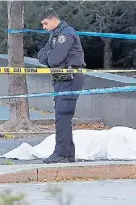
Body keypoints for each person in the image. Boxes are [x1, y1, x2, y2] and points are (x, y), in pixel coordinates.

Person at [37, 8, 86, 163]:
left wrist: (49, 55)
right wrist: (49, 55)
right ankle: (68, 154)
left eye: (45, 23)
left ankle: (61, 154)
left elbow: (53, 60)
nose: (44, 27)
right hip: (61, 80)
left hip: (70, 79)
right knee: (63, 117)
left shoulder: (66, 34)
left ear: (53, 20)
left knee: (62, 117)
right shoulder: (55, 34)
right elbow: (41, 55)